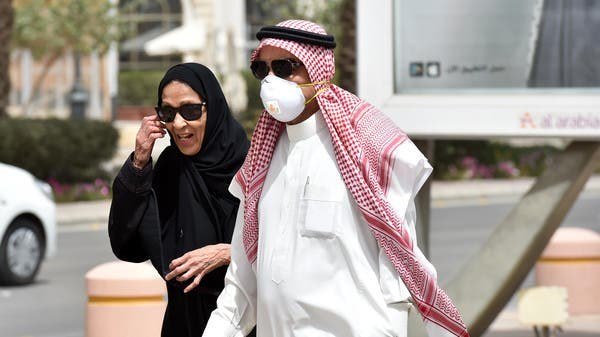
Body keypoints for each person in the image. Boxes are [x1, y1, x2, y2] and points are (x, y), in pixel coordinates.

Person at [202, 20, 469, 337]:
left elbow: (400, 274)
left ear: (318, 71)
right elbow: (241, 286)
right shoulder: (261, 163)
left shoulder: (367, 150)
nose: (270, 80)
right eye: (262, 69)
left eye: (285, 67)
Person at [108, 63, 251, 336]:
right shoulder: (171, 167)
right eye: (167, 113)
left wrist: (228, 253)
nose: (178, 123)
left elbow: (284, 247)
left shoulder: (252, 167)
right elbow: (127, 243)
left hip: (245, 323)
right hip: (183, 323)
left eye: (191, 110)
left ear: (214, 107)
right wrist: (139, 161)